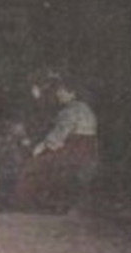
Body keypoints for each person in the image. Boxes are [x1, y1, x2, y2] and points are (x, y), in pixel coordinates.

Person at [7, 77, 99, 212]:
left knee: (35, 164)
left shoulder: (71, 110)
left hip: (74, 149)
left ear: (72, 93)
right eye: (58, 91)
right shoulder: (83, 107)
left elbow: (58, 136)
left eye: (62, 92)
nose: (58, 94)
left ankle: (26, 203)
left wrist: (41, 147)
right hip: (88, 151)